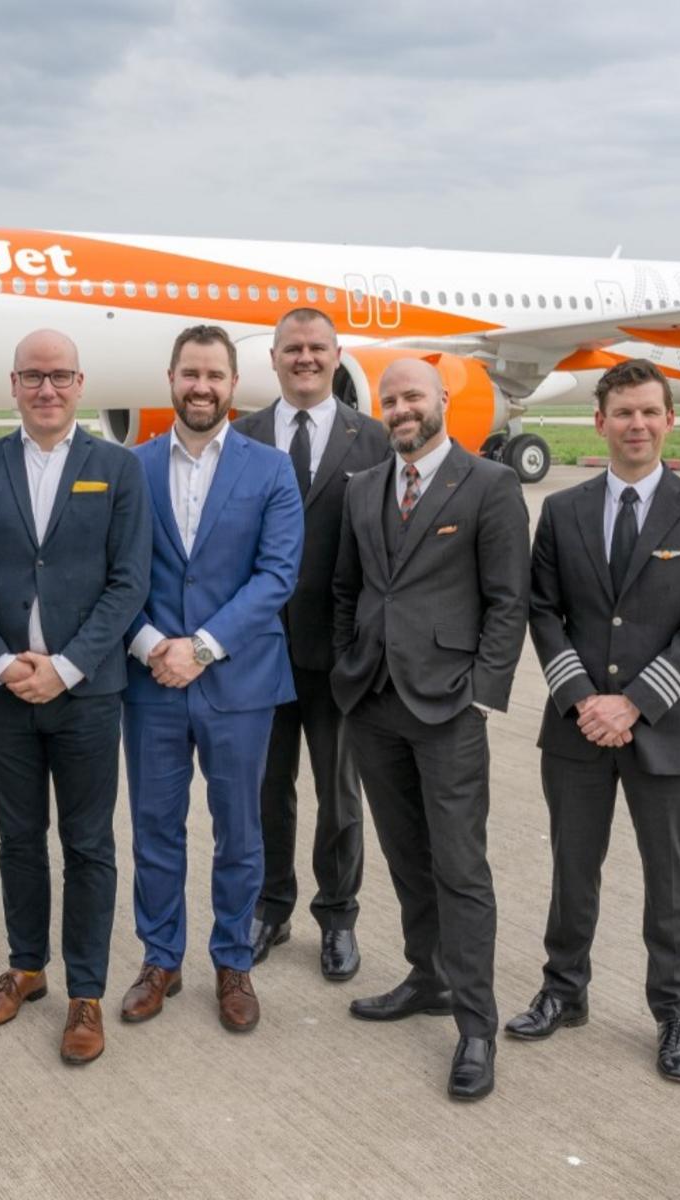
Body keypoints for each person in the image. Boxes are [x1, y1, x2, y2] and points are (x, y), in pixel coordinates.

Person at [506, 358, 680, 1083]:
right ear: (599, 422)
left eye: (649, 412)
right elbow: (544, 611)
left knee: (671, 882)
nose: (636, 424)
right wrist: (583, 700)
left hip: (666, 729)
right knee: (574, 871)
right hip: (576, 730)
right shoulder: (564, 512)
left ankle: (673, 1012)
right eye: (623, 413)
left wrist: (634, 702)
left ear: (670, 421)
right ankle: (563, 991)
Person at [0, 330, 151, 1065]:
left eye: (59, 375)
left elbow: (129, 582)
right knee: (18, 840)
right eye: (33, 376)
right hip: (2, 694)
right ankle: (27, 966)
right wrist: (1, 665)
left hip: (87, 693)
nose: (47, 389)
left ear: (80, 382)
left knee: (89, 845)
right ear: (14, 384)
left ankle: (86, 990)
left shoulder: (117, 470)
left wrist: (65, 667)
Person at [331, 357, 529, 1100]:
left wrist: (481, 691)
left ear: (442, 400)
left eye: (413, 396)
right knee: (407, 856)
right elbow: (348, 588)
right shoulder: (364, 487)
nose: (400, 409)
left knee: (461, 868)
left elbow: (508, 601)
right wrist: (352, 663)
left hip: (448, 706)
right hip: (375, 702)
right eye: (389, 399)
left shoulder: (489, 485)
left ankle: (476, 1024)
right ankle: (429, 976)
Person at [119, 325, 303, 1034]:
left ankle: (233, 962)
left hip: (239, 683)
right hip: (152, 682)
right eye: (190, 374)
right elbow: (119, 573)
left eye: (215, 376)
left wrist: (201, 646)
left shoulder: (270, 469)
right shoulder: (130, 466)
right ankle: (160, 958)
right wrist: (149, 645)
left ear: (233, 383)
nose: (202, 387)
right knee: (155, 828)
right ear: (171, 379)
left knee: (240, 832)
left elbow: (277, 575)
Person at [235, 308, 388, 980]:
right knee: (267, 790)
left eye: (317, 348)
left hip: (341, 653)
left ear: (336, 355)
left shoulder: (375, 441)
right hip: (260, 651)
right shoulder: (241, 437)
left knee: (339, 792)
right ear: (273, 359)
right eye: (292, 348)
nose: (305, 358)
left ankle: (338, 915)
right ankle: (271, 905)